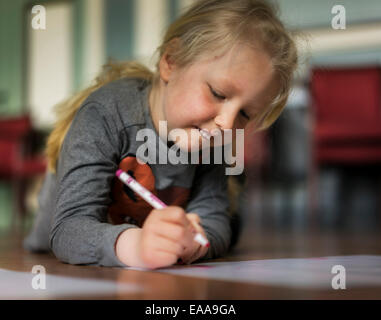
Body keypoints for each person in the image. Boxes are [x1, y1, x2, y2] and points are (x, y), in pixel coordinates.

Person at [24, 0, 298, 269]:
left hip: (141, 232)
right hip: (55, 242)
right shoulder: (105, 114)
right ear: (171, 61)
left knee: (229, 223)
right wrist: (138, 247)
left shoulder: (213, 140)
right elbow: (68, 231)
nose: (227, 124)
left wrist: (196, 244)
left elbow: (213, 223)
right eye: (217, 93)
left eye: (245, 115)